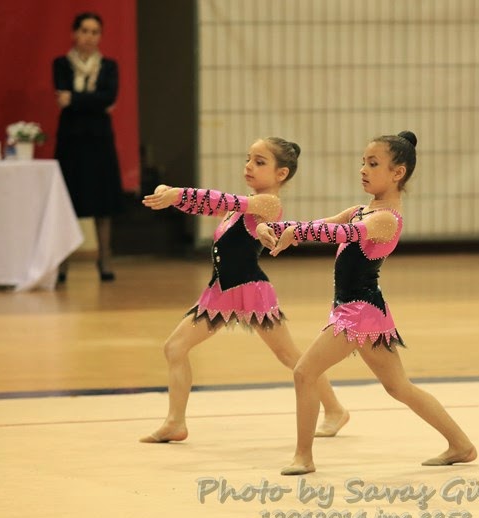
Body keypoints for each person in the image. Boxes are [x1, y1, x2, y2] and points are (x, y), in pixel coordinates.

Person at [257, 131, 477, 475]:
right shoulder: (361, 210)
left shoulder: (386, 218)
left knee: (304, 372)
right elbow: (319, 224)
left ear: (397, 173)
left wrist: (295, 234)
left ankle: (304, 456)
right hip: (366, 310)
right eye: (363, 162)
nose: (363, 169)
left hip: (358, 312)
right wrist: (272, 228)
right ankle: (461, 445)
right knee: (399, 387)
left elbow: (341, 234)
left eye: (373, 164)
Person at [138, 137, 348, 444]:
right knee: (175, 348)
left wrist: (178, 194)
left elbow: (221, 200)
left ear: (281, 174)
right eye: (248, 159)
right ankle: (175, 423)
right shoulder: (242, 205)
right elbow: (207, 204)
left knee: (289, 355)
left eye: (260, 162)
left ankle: (335, 409)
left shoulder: (268, 203)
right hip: (221, 291)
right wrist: (170, 196)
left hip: (250, 290)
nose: (249, 166)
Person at [53, 12, 123, 283]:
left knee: (103, 204)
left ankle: (104, 259)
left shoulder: (109, 66)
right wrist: (95, 101)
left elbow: (109, 96)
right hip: (71, 140)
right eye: (84, 30)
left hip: (99, 140)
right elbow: (66, 97)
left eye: (95, 32)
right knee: (66, 201)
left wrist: (75, 99)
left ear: (100, 36)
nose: (89, 37)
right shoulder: (61, 64)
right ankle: (61, 263)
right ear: (74, 33)